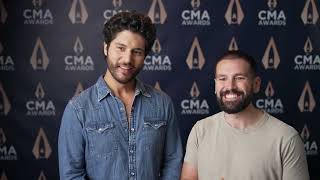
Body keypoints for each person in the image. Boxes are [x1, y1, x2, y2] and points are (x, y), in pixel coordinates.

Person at [58, 11, 183, 180]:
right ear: (106, 47)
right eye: (121, 48)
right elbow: (71, 175)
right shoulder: (78, 109)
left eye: (137, 52)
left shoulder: (162, 104)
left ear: (144, 56)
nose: (127, 59)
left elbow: (172, 162)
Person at [180, 50, 309, 180]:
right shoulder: (200, 130)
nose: (230, 86)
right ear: (215, 85)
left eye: (239, 78)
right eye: (222, 78)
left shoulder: (286, 138)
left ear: (256, 84)